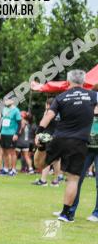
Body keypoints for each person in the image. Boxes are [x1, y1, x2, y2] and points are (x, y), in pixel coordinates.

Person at [37, 70, 98, 222]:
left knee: (40, 165)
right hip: (80, 142)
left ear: (68, 81)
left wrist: (39, 132)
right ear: (84, 81)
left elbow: (49, 115)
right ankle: (67, 213)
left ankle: (41, 148)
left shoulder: (61, 97)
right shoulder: (93, 96)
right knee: (74, 179)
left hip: (61, 138)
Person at [70, 106, 98, 222]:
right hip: (86, 150)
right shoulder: (87, 109)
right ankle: (69, 209)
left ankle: (96, 213)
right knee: (75, 179)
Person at [33, 99, 63, 186]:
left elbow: (43, 123)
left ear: (48, 105)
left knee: (46, 159)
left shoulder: (48, 112)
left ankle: (43, 180)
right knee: (56, 160)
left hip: (48, 137)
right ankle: (55, 181)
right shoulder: (61, 112)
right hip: (58, 137)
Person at [0, 97, 23, 176]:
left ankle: (13, 169)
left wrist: (16, 134)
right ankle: (5, 168)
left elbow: (19, 124)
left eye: (8, 100)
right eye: (5, 100)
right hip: (3, 133)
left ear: (12, 101)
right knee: (4, 152)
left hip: (11, 134)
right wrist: (0, 132)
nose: (6, 102)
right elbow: (2, 121)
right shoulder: (4, 109)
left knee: (12, 152)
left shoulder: (16, 110)